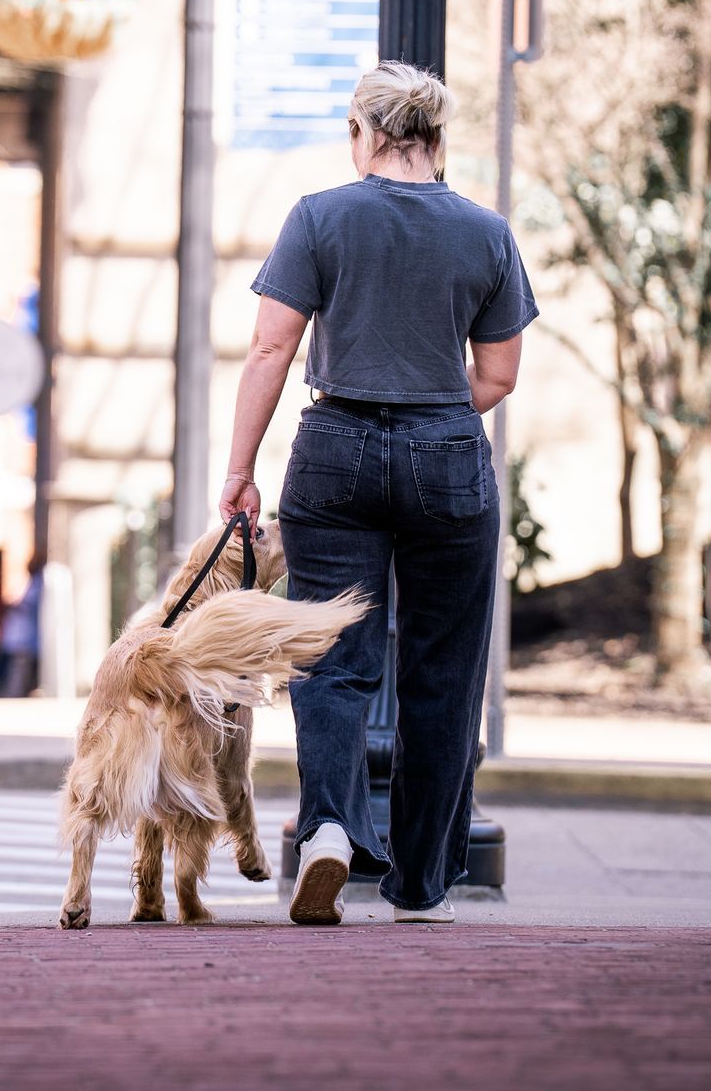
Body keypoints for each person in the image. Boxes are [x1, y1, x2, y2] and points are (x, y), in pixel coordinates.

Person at [218, 62, 536, 926]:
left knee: (331, 656)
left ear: (364, 133)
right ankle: (423, 885)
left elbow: (269, 352)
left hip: (335, 452)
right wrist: (430, 405)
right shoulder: (486, 232)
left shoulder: (320, 216)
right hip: (447, 458)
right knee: (443, 673)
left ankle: (326, 830)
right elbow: (498, 375)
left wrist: (240, 471)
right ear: (438, 140)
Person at [0, 555, 44, 698]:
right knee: (17, 673)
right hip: (23, 639)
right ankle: (12, 697)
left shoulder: (32, 584)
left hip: (21, 638)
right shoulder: (33, 586)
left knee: (19, 671)